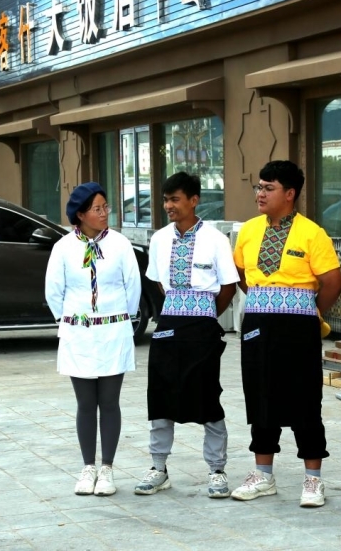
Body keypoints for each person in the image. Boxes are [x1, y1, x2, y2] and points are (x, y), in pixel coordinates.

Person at [231, 160, 341, 508]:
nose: (260, 194)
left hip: (299, 327)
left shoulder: (312, 233)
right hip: (257, 323)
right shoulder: (249, 230)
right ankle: (263, 475)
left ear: (290, 193)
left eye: (269, 188)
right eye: (259, 187)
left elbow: (332, 283)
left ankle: (313, 480)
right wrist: (267, 300)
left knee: (305, 399)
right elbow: (241, 274)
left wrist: (308, 310)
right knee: (259, 395)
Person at [135, 172, 239, 498]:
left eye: (175, 199)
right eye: (166, 200)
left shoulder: (216, 239)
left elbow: (228, 286)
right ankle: (158, 468)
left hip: (203, 326)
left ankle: (217, 470)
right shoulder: (159, 238)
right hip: (169, 323)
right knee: (161, 394)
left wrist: (205, 315)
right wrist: (178, 308)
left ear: (194, 200)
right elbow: (158, 281)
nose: (169, 206)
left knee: (206, 395)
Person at [45, 182, 142, 497]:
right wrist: (72, 321)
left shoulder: (120, 244)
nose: (104, 213)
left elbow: (132, 286)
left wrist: (118, 318)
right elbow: (54, 291)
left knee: (110, 402)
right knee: (86, 403)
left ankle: (107, 468)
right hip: (79, 334)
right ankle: (88, 467)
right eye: (97, 209)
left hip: (113, 331)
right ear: (81, 214)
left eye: (105, 207)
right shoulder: (63, 247)